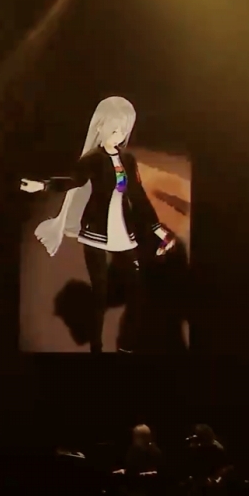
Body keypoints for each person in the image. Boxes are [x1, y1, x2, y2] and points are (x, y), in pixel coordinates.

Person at [21, 97, 177, 353]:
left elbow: (138, 197)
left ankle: (126, 346)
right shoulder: (92, 159)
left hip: (123, 232)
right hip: (95, 231)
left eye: (123, 130)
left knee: (137, 289)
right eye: (114, 129)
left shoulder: (128, 160)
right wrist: (43, 185)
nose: (119, 135)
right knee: (100, 294)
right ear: (100, 126)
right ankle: (96, 347)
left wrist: (157, 229)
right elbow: (73, 180)